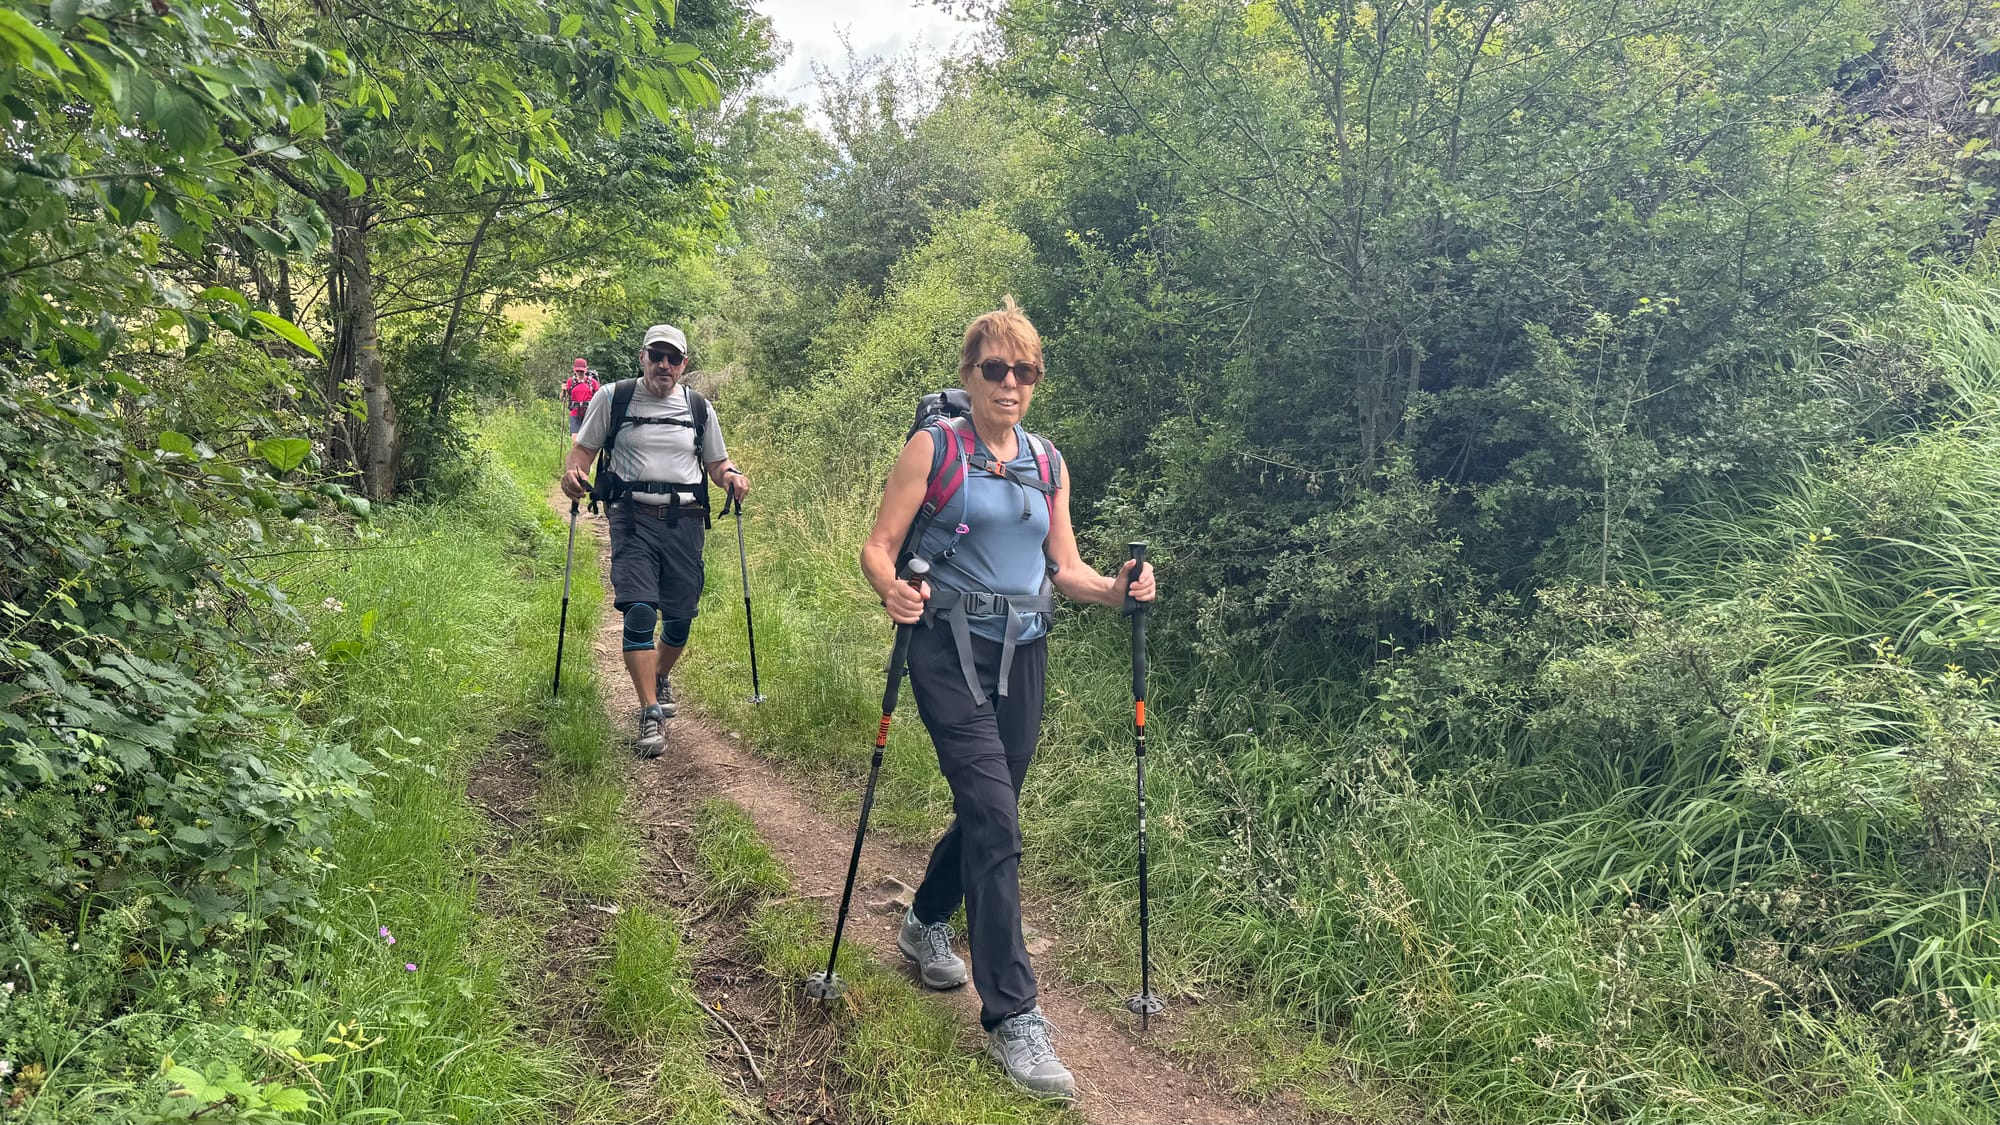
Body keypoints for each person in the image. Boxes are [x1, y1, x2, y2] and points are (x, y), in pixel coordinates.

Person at [859, 297, 1155, 1102]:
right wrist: (893, 590)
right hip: (946, 647)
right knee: (996, 813)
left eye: (1025, 371)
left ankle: (924, 920)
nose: (1011, 383)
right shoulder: (935, 446)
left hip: (1024, 650)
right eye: (996, 368)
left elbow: (1066, 568)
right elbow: (879, 546)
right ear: (969, 374)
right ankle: (1013, 1015)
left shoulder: (1047, 461)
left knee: (993, 807)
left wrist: (1120, 590)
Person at [561, 325, 749, 756]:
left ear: (684, 364)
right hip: (632, 517)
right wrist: (574, 475)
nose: (664, 365)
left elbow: (716, 463)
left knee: (680, 618)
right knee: (641, 609)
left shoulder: (699, 407)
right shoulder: (613, 397)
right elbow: (583, 452)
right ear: (643, 357)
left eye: (674, 359)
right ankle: (649, 712)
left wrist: (732, 478)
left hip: (685, 520)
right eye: (657, 356)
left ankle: (660, 675)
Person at [563, 358, 599, 435]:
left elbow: (598, 398)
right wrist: (563, 390)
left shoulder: (592, 382)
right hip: (575, 412)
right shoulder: (570, 381)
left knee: (587, 439)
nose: (579, 373)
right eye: (577, 371)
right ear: (574, 370)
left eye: (581, 371)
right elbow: (563, 398)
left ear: (586, 370)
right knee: (575, 439)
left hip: (589, 413)